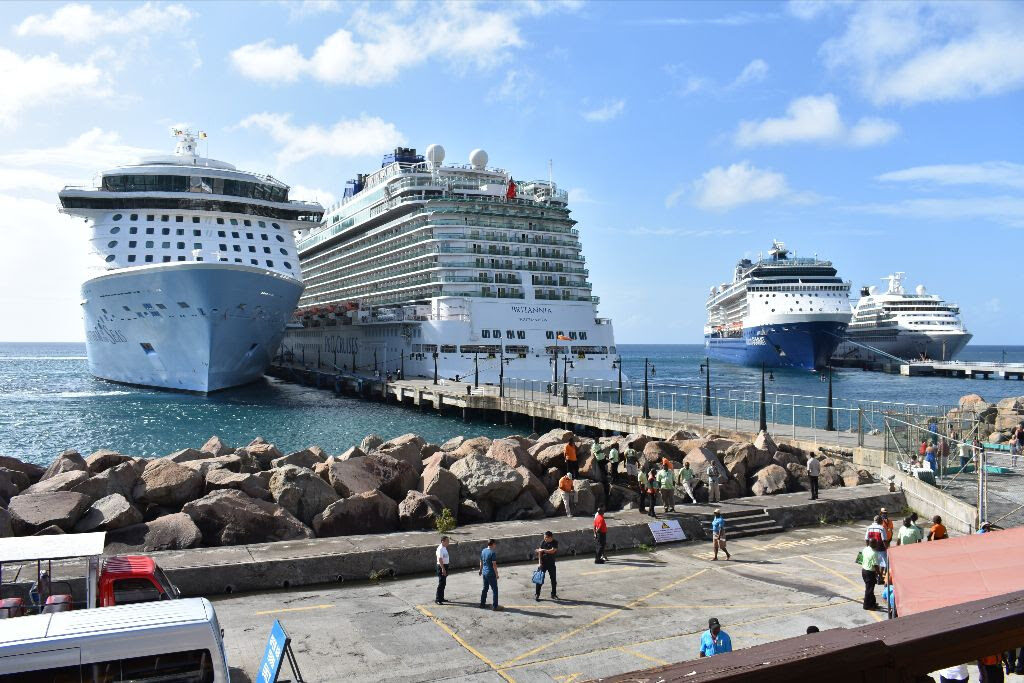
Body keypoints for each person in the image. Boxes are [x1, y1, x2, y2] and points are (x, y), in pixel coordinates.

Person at [534, 531, 559, 601]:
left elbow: (553, 551)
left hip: (551, 564)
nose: (544, 539)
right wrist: (539, 563)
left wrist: (543, 550)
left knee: (553, 580)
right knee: (539, 579)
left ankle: (553, 594)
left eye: (545, 538)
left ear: (550, 537)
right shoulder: (543, 542)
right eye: (544, 537)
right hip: (543, 564)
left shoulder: (555, 542)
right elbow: (540, 553)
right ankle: (537, 594)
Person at [859, 539, 882, 610]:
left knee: (870, 589)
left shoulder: (865, 549)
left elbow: (860, 559)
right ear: (874, 544)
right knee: (869, 590)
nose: (877, 544)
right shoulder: (874, 553)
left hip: (864, 571)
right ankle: (866, 605)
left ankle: (872, 603)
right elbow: (876, 566)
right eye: (876, 543)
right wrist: (880, 575)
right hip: (870, 573)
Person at [479, 539, 500, 610]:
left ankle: (482, 604)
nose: (495, 545)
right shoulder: (492, 553)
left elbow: (481, 561)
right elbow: (494, 565)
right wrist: (497, 574)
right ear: (492, 544)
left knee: (485, 588)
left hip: (484, 573)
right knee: (495, 590)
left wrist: (480, 570)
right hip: (491, 573)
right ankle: (495, 606)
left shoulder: (483, 551)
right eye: (495, 544)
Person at [435, 536, 450, 605]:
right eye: (447, 541)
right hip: (441, 567)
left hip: (445, 566)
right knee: (441, 583)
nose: (448, 542)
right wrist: (443, 569)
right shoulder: (440, 548)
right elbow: (440, 559)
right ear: (442, 541)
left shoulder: (444, 547)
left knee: (443, 583)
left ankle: (441, 598)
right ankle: (438, 599)